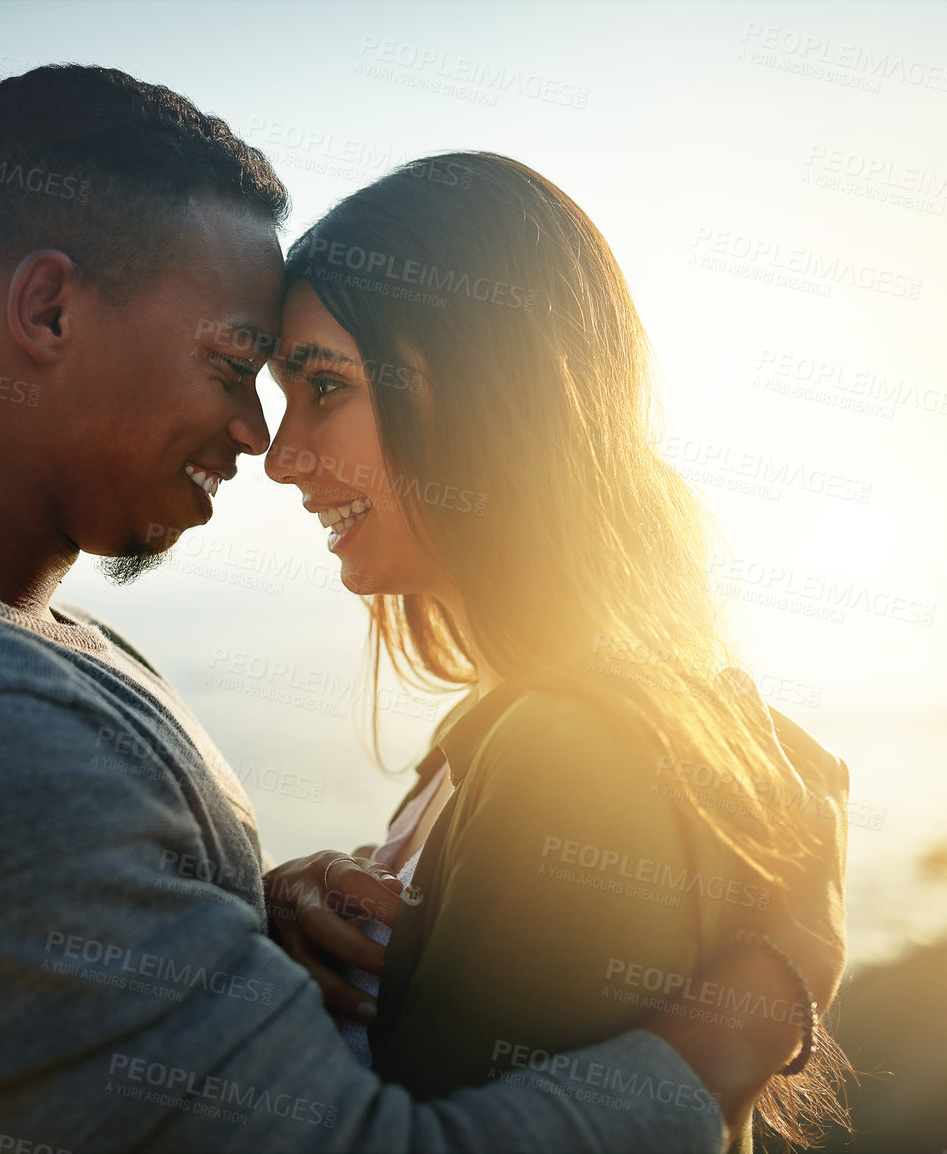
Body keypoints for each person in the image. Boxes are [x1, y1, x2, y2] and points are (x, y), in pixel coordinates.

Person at [0, 65, 841, 1153]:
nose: (264, 443)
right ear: (49, 310)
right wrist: (768, 991)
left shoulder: (39, 650)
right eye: (236, 364)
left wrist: (252, 922)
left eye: (318, 385)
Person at [258, 153, 851, 1152]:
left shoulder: (568, 748)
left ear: (494, 386)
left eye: (325, 386)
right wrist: (272, 923)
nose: (280, 457)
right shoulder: (513, 731)